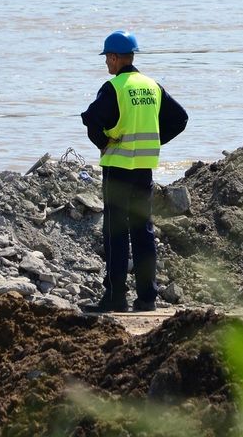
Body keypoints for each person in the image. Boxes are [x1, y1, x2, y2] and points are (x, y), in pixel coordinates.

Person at [80, 29, 188, 313]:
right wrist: (155, 139)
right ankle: (147, 299)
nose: (106, 64)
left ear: (115, 58)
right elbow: (180, 118)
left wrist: (103, 142)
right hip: (143, 169)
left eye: (107, 59)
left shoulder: (114, 87)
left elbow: (90, 119)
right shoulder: (153, 86)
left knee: (116, 232)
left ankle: (115, 297)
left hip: (117, 167)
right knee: (143, 231)